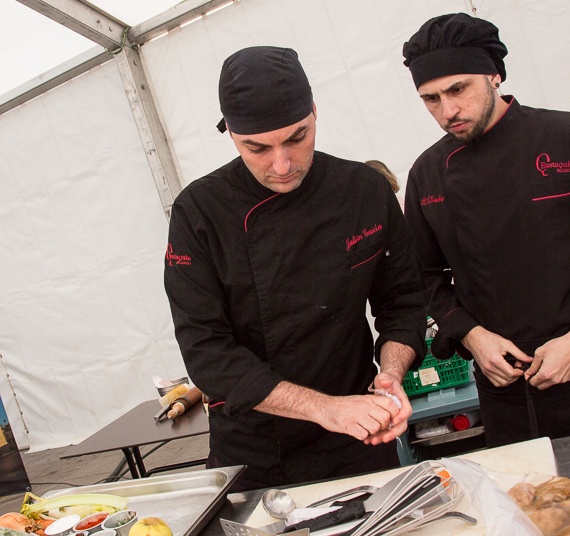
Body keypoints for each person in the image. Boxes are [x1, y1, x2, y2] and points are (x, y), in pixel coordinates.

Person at [400, 14, 570, 446]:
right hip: (503, 388)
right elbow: (425, 276)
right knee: (528, 507)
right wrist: (473, 335)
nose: (447, 110)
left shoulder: (568, 137)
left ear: (494, 76)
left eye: (458, 89)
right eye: (430, 99)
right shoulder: (427, 173)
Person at [164, 46, 426, 491]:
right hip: (256, 452)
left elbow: (403, 302)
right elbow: (207, 352)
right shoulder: (199, 213)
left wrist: (390, 375)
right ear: (230, 133)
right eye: (258, 148)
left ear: (315, 113)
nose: (281, 165)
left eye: (297, 138)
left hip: (358, 441)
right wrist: (327, 409)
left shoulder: (363, 191)